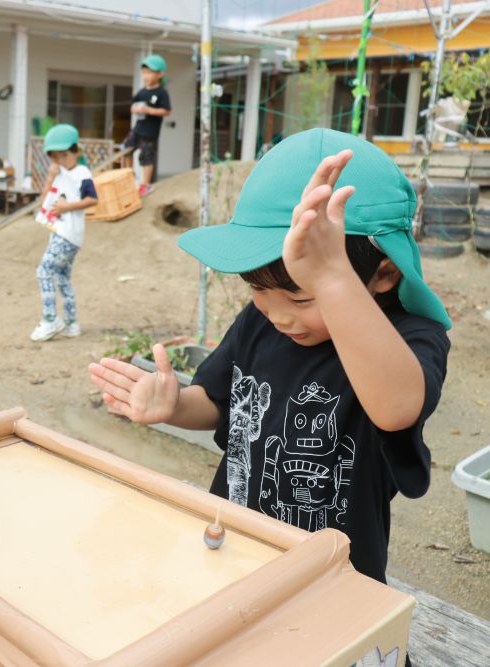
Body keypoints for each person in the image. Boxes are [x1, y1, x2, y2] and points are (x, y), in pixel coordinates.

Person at [89, 128, 451, 588]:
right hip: (236, 549)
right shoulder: (260, 321)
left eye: (302, 297)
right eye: (259, 289)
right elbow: (219, 401)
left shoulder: (410, 336)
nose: (278, 315)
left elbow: (396, 409)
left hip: (333, 580)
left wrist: (333, 279)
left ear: (384, 273)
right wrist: (176, 406)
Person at [30, 124, 97, 342]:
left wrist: (67, 206)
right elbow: (44, 200)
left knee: (44, 271)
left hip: (68, 234)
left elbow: (92, 199)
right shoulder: (59, 173)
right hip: (60, 231)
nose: (61, 159)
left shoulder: (82, 173)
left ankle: (51, 319)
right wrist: (49, 177)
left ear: (76, 151)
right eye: (56, 156)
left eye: (65, 155)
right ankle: (72, 323)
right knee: (62, 277)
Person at [122, 54, 171, 195]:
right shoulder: (142, 92)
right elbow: (132, 107)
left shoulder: (162, 93)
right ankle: (129, 178)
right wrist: (136, 109)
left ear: (159, 74)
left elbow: (167, 111)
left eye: (149, 73)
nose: (145, 76)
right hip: (138, 128)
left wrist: (148, 110)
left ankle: (145, 184)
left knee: (146, 157)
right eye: (144, 73)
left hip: (150, 132)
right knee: (126, 149)